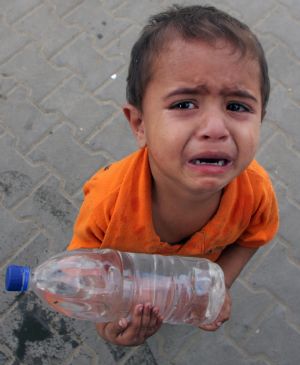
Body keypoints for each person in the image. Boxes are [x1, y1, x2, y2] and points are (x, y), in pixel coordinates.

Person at [67, 4, 279, 346]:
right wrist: (109, 327)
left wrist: (217, 285)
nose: (215, 128)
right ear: (140, 124)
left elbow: (252, 239)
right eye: (184, 104)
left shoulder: (256, 193)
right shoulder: (107, 203)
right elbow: (85, 282)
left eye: (237, 107)